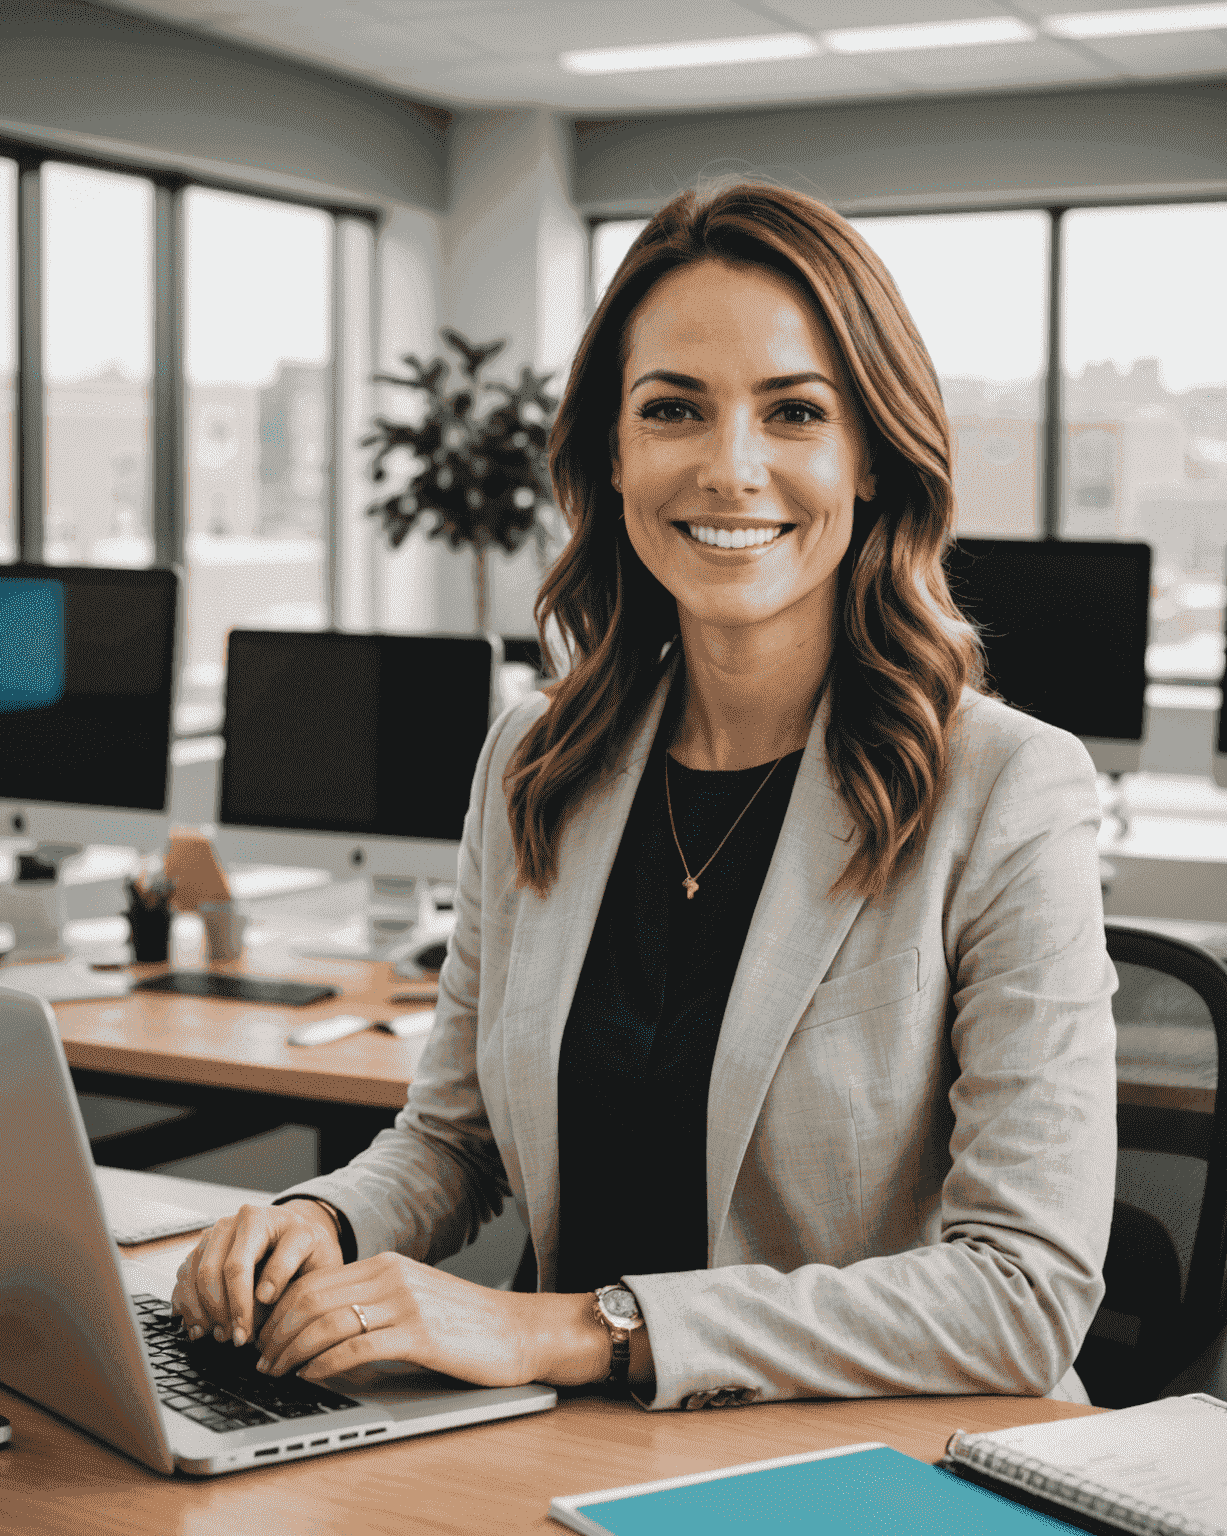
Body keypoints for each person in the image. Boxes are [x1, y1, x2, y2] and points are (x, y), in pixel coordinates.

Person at [171, 181, 1117, 1411]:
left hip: (866, 1466)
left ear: (871, 457)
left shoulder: (1006, 788)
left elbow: (1024, 1293)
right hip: (571, 1448)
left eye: (794, 413)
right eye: (674, 409)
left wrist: (577, 1329)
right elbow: (454, 1139)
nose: (731, 469)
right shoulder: (537, 759)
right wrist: (325, 1221)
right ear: (612, 456)